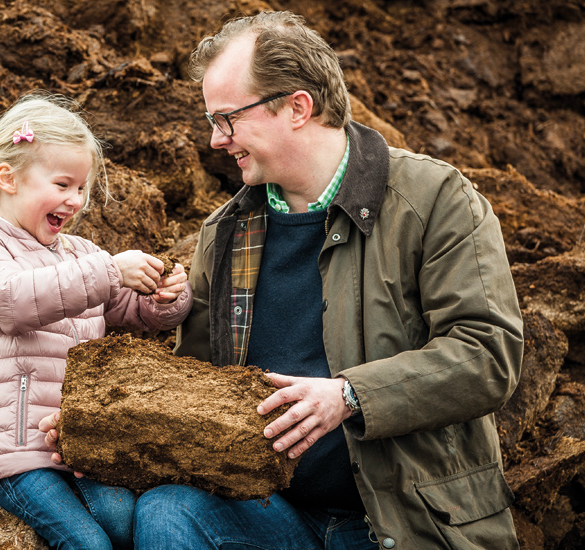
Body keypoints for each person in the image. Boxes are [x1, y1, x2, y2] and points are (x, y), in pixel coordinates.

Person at [133, 11, 524, 550]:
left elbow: (488, 354)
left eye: (227, 119)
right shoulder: (224, 234)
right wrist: (98, 433)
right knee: (168, 513)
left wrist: (349, 395)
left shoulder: (436, 200)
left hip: (407, 523)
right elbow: (198, 387)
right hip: (278, 516)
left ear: (297, 107)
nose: (216, 140)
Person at [0, 92, 192, 550]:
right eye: (63, 185)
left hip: (82, 442)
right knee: (89, 543)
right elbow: (9, 302)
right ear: (8, 178)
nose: (76, 200)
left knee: (124, 525)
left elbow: (128, 312)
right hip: (17, 454)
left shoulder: (81, 255)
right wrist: (108, 271)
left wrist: (165, 299)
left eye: (81, 188)